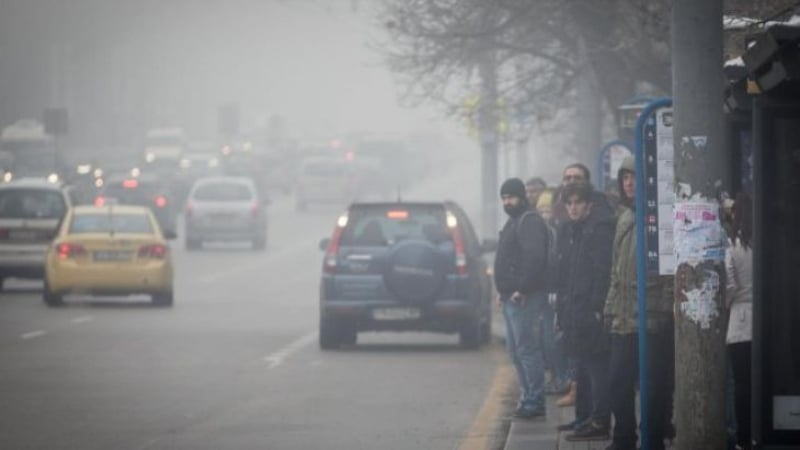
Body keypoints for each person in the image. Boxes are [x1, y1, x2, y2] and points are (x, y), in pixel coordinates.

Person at [603, 156, 674, 450]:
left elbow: (671, 270)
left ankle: (653, 439)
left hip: (653, 318)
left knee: (655, 387)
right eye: (625, 177)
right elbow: (615, 271)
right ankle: (623, 439)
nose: (629, 183)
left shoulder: (660, 216)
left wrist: (665, 307)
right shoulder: (625, 217)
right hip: (623, 320)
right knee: (617, 383)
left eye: (634, 176)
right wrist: (609, 309)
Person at [555, 182, 616, 441]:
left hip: (591, 312)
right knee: (583, 367)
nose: (573, 208)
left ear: (589, 204)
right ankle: (585, 419)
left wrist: (595, 308)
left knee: (596, 368)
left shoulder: (598, 230)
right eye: (569, 203)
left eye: (578, 203)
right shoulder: (575, 230)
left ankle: (600, 421)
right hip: (576, 311)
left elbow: (601, 272)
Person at [494, 177, 551, 419]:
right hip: (511, 297)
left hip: (524, 297)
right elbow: (509, 259)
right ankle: (527, 396)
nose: (508, 202)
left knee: (527, 349)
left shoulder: (529, 221)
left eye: (511, 197)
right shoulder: (514, 221)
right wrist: (503, 291)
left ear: (521, 197)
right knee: (516, 350)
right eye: (504, 198)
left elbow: (534, 257)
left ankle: (535, 400)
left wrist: (522, 289)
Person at [534, 187, 570, 398]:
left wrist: (554, 288)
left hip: (554, 292)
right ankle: (557, 376)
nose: (545, 214)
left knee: (553, 337)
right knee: (548, 336)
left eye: (548, 209)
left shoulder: (556, 230)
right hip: (548, 291)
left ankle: (561, 377)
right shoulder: (545, 230)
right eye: (541, 210)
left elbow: (555, 262)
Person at [726, 192, 753, 450]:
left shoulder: (733, 245)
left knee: (741, 384)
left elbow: (730, 286)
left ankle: (743, 437)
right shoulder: (766, 243)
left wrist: (725, 306)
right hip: (766, 322)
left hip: (740, 322)